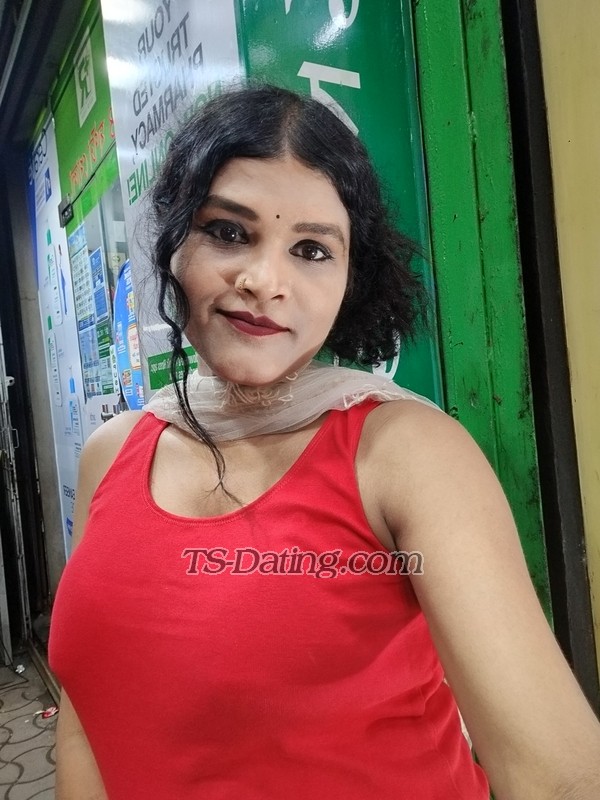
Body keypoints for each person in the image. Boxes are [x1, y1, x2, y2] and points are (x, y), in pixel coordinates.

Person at [49, 84, 600, 800]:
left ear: (349, 280)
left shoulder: (404, 454)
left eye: (311, 249)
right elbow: (85, 721)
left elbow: (558, 776)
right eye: (229, 232)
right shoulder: (112, 453)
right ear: (173, 240)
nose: (264, 281)